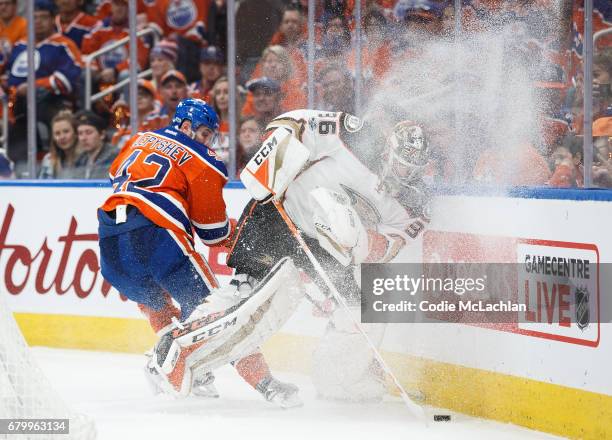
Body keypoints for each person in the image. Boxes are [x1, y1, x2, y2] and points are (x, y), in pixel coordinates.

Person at [98, 98, 302, 407]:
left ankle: (193, 369)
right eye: (206, 132)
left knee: (156, 304)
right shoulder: (202, 157)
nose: (208, 140)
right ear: (187, 126)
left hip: (110, 239)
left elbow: (117, 177)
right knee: (219, 313)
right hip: (156, 235)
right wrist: (235, 235)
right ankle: (265, 383)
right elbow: (212, 232)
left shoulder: (138, 139)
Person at [225, 110, 431, 401]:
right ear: (388, 149)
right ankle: (192, 352)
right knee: (245, 297)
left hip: (327, 245)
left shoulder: (417, 201)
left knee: (360, 309)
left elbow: (392, 245)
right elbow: (297, 123)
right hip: (281, 217)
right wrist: (276, 153)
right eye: (401, 163)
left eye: (412, 167)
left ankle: (334, 379)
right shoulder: (359, 137)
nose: (405, 172)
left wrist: (359, 240)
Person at [6, 0, 82, 169]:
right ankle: (18, 166)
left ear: (53, 19)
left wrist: (33, 85)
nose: (38, 22)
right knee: (16, 116)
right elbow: (9, 77)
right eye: (34, 18)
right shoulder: (19, 45)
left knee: (36, 101)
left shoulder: (63, 44)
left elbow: (69, 78)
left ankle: (62, 162)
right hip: (18, 105)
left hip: (55, 103)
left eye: (43, 17)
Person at [73, 110, 118, 179]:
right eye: (80, 133)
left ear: (102, 134)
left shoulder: (115, 156)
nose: (83, 138)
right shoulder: (80, 160)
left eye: (88, 132)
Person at [39, 110, 81, 179]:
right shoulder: (48, 159)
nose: (62, 137)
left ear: (76, 133)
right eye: (57, 133)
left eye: (66, 131)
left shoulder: (87, 159)